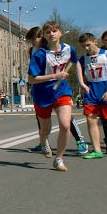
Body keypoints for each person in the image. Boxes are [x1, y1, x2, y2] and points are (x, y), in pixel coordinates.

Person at [29, 21, 77, 171]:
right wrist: (55, 75)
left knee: (65, 124)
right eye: (48, 32)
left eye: (55, 31)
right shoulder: (40, 54)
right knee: (45, 130)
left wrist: (81, 81)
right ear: (44, 35)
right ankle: (43, 140)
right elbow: (32, 79)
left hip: (62, 91)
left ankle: (59, 158)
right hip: (42, 93)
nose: (52, 34)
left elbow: (76, 62)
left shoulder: (69, 49)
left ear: (60, 33)